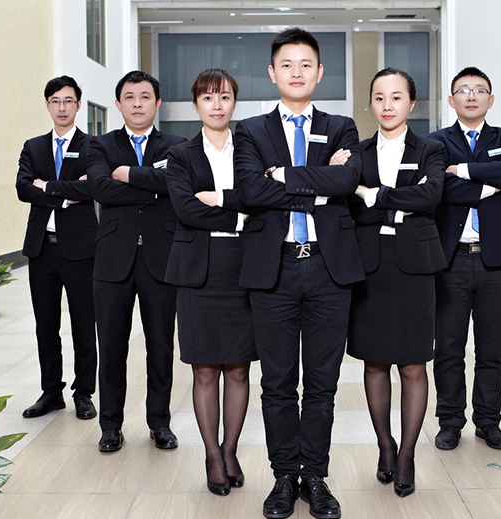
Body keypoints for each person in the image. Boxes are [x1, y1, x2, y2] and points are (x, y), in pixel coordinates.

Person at [234, 27, 363, 519]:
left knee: (323, 384)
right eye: (286, 64)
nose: (296, 72)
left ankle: (316, 476)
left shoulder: (341, 126)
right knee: (278, 383)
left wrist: (282, 176)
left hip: (329, 268)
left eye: (305, 64)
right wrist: (318, 187)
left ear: (320, 72)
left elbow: (347, 180)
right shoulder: (251, 130)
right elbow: (250, 190)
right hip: (275, 269)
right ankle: (285, 476)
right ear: (272, 73)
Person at [347, 68, 446, 498]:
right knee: (374, 363)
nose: (387, 106)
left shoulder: (431, 149)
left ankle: (406, 454)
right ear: (371, 103)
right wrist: (398, 201)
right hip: (370, 266)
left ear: (412, 103)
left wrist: (374, 194)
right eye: (379, 98)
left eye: (396, 97)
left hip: (414, 267)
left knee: (413, 364)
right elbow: (350, 203)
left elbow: (431, 195)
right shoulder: (357, 152)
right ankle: (385, 445)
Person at [426, 67, 501, 450]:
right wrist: (491, 186)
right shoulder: (435, 142)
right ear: (451, 100)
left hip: (497, 262)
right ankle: (450, 421)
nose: (471, 96)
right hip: (451, 259)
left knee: (492, 350)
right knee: (448, 348)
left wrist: (466, 171)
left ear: (491, 99)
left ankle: (488, 421)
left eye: (479, 90)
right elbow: (439, 188)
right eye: (463, 90)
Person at [165, 68, 257, 497]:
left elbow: (259, 199)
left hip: (244, 269)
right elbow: (185, 209)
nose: (216, 105)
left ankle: (231, 450)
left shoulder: (251, 149)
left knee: (239, 368)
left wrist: (222, 202)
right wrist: (238, 216)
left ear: (234, 102)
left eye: (224, 97)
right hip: (197, 272)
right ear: (195, 104)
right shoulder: (180, 155)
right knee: (204, 369)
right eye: (207, 97)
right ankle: (212, 455)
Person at [87, 70, 186, 453]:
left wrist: (129, 177)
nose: (137, 103)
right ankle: (110, 426)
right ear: (118, 104)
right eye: (130, 97)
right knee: (111, 347)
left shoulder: (176, 146)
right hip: (113, 260)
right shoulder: (100, 145)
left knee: (160, 347)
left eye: (145, 97)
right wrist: (155, 188)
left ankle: (159, 423)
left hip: (161, 257)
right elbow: (100, 188)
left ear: (157, 103)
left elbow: (179, 186)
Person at [15, 75, 98, 421]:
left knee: (83, 323)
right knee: (46, 324)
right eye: (55, 101)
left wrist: (46, 187)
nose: (62, 107)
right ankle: (51, 392)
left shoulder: (93, 146)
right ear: (47, 105)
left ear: (78, 105)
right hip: (42, 250)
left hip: (81, 249)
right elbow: (23, 188)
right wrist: (65, 195)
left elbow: (92, 187)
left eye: (68, 101)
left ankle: (83, 392)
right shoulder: (33, 147)